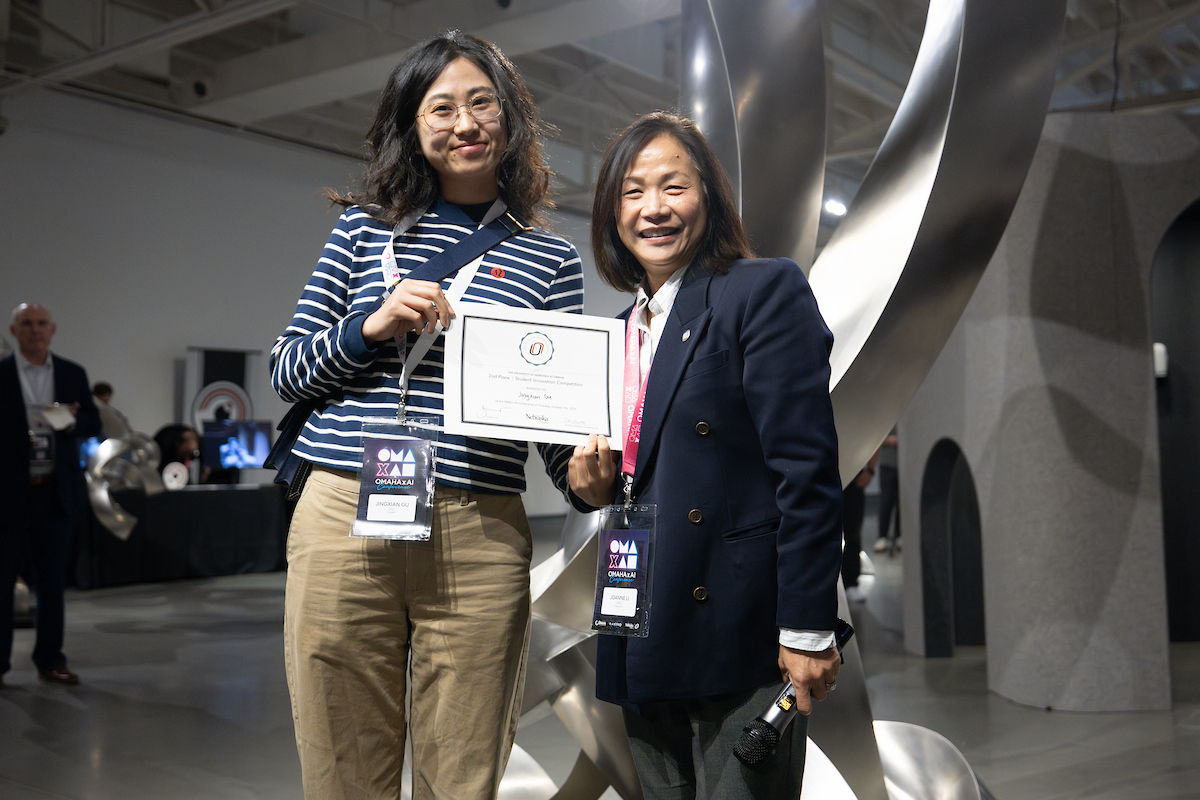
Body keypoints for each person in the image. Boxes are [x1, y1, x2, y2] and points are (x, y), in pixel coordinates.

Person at [269, 31, 583, 799]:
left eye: (483, 102)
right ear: (413, 125)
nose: (465, 122)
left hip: (480, 531)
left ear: (509, 119)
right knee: (342, 763)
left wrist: (588, 479)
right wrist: (371, 325)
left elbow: (554, 423)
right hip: (343, 509)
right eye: (441, 107)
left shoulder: (551, 259)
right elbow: (286, 368)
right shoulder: (360, 228)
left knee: (465, 765)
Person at [568, 113, 844, 798]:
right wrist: (588, 485)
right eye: (632, 192)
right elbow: (628, 471)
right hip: (639, 615)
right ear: (610, 213)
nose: (653, 208)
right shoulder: (616, 331)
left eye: (673, 186)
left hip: (738, 624)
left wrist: (808, 626)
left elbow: (806, 474)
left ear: (709, 198)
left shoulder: (760, 290)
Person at [0, 303, 100, 686]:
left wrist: (71, 421)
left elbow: (92, 422)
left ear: (53, 329)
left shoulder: (72, 373)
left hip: (54, 495)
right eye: (27, 324)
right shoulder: (3, 374)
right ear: (14, 330)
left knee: (52, 584)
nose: (35, 330)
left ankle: (51, 660)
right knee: (2, 581)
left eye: (41, 323)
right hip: (9, 494)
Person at [873, 428, 900, 554]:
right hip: (888, 464)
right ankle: (882, 536)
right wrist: (892, 440)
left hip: (903, 462)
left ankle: (900, 535)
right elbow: (875, 436)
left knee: (901, 501)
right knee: (886, 500)